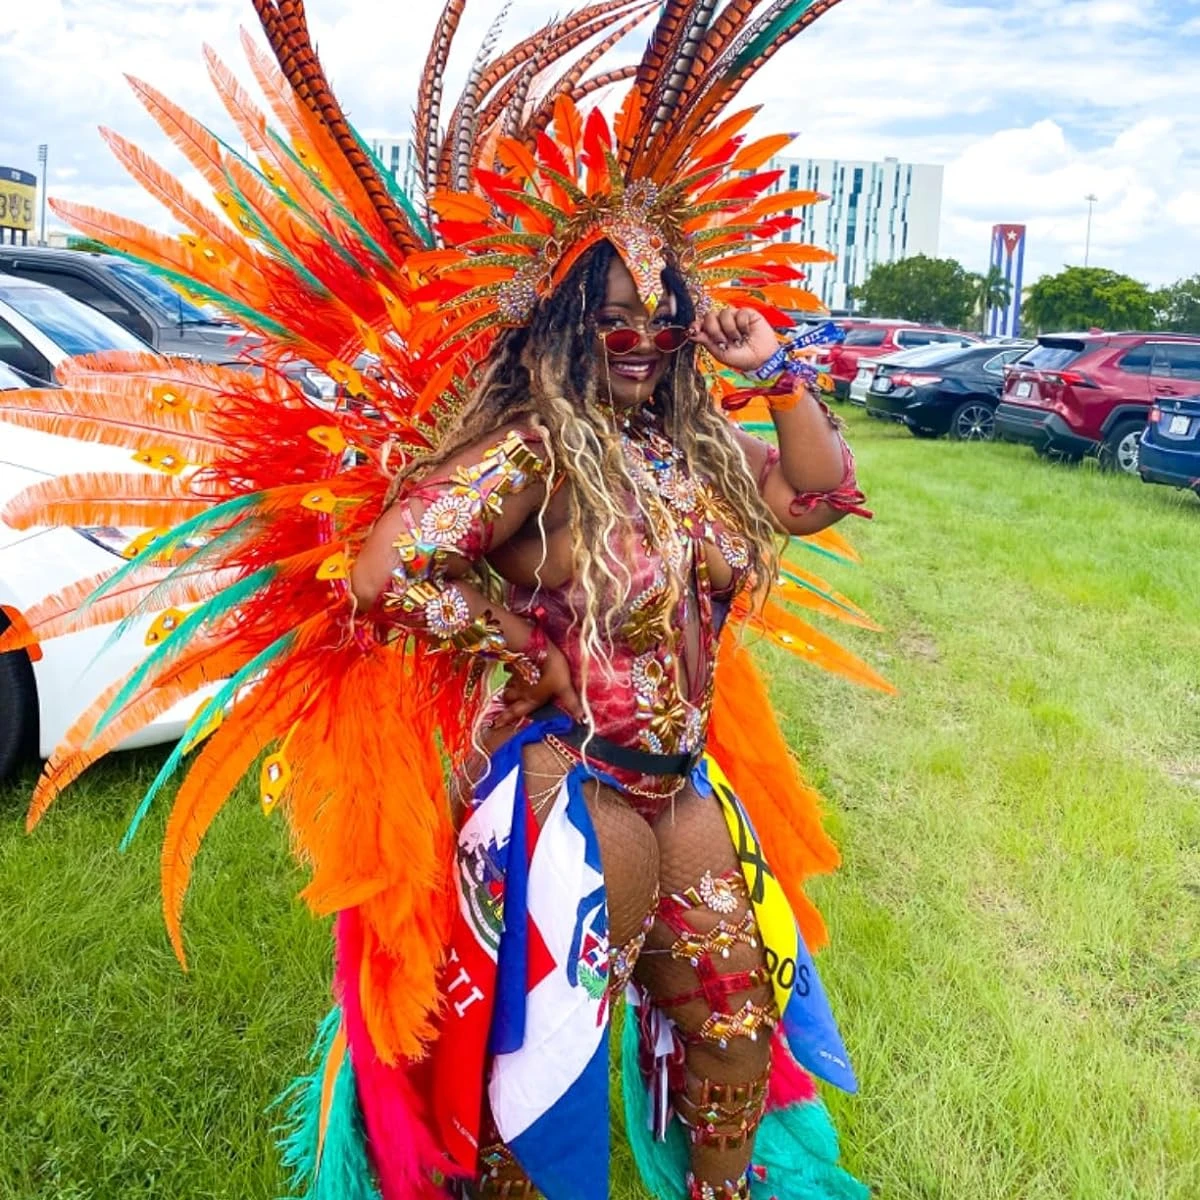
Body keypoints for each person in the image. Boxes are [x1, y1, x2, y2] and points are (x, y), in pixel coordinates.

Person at [0, 3, 888, 1198]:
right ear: (569, 323)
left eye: (661, 316)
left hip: (688, 789)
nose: (640, 335)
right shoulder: (533, 454)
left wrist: (773, 366)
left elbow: (821, 496)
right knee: (536, 1102)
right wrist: (510, 631)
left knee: (731, 1045)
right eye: (613, 316)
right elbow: (380, 572)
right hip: (573, 789)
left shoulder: (702, 456)